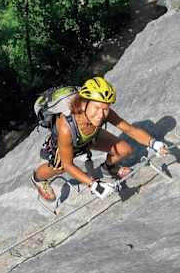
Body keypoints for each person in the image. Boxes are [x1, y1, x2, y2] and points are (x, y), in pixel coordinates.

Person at [31, 76, 167, 201]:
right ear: (84, 103)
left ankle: (108, 168)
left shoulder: (102, 110)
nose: (101, 114)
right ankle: (37, 179)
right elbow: (68, 164)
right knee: (60, 168)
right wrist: (94, 185)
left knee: (124, 149)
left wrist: (154, 144)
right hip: (69, 141)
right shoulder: (66, 127)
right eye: (97, 108)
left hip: (90, 137)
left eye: (105, 109)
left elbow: (130, 130)